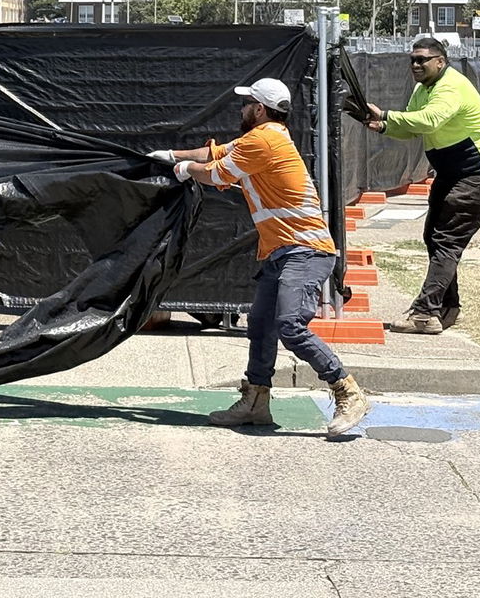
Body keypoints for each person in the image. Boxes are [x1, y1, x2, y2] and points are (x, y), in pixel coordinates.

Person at [148, 78, 369, 439]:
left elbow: (217, 172)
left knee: (290, 325)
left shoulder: (263, 139)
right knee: (261, 325)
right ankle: (255, 403)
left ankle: (347, 390)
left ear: (260, 109)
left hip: (305, 251)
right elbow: (215, 153)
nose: (242, 108)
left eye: (246, 102)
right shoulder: (262, 139)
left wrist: (184, 171)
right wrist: (173, 156)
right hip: (283, 252)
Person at [353, 36, 480, 334]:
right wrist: (383, 126)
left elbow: (430, 120)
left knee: (447, 239)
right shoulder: (422, 89)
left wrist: (386, 114)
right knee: (434, 237)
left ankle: (425, 313)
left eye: (422, 59)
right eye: (412, 59)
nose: (416, 64)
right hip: (452, 173)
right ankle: (447, 307)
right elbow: (412, 127)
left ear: (441, 61)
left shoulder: (451, 86)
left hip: (479, 173)